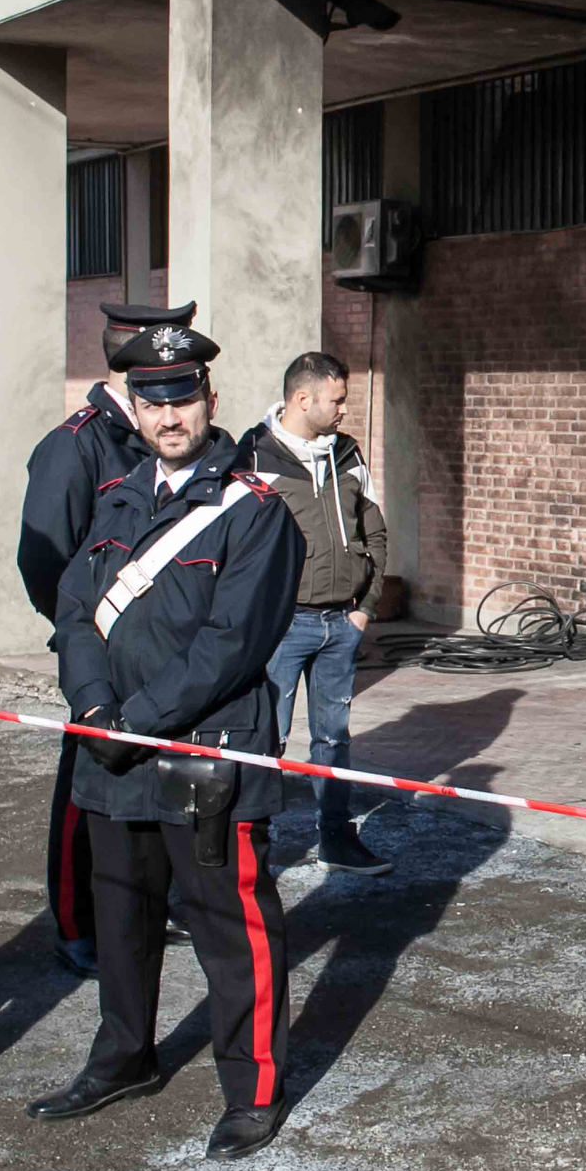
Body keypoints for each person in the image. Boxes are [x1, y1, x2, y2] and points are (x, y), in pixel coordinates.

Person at [34, 310, 305, 1161]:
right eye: (151, 401)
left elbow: (233, 644)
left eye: (181, 397)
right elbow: (74, 614)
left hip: (203, 754)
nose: (168, 416)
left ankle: (253, 1089)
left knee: (231, 928)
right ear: (134, 408)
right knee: (121, 917)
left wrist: (133, 722)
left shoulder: (255, 510)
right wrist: (92, 709)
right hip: (113, 754)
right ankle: (124, 1056)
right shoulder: (117, 497)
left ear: (209, 400)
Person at [16, 303, 180, 976]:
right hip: (103, 654)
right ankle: (75, 921)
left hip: (166, 651)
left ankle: (147, 905)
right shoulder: (78, 444)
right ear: (126, 364)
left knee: (158, 783)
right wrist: (85, 632)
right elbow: (43, 559)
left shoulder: (165, 441)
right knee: (87, 795)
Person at [225, 351, 392, 876]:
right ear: (303, 399)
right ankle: (252, 844)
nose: (344, 409)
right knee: (266, 736)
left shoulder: (348, 453)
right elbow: (231, 548)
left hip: (341, 624)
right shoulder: (253, 456)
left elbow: (375, 532)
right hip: (282, 627)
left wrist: (365, 608)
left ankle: (336, 840)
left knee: (334, 738)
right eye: (336, 400)